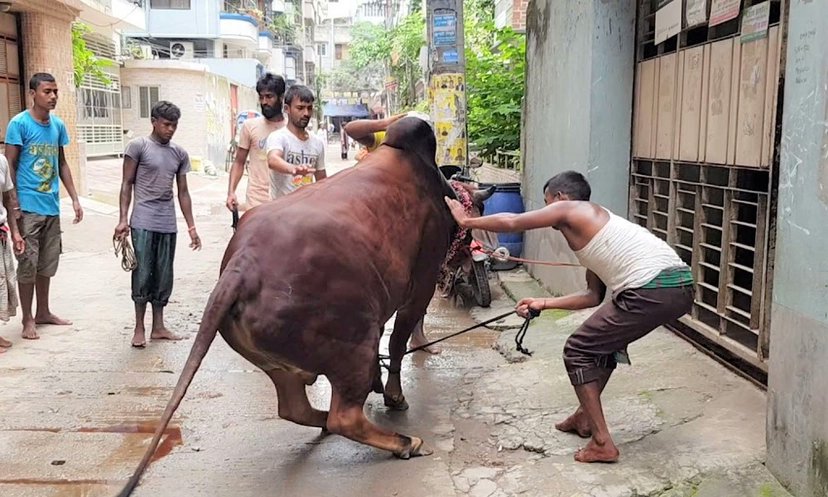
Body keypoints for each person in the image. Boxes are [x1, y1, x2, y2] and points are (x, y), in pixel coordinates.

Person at [445, 170, 693, 463]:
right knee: (602, 345)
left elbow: (513, 221)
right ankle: (583, 419)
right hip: (677, 287)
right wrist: (543, 303)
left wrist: (466, 220)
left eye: (547, 202)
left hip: (649, 288)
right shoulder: (597, 229)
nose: (548, 211)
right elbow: (591, 296)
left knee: (577, 350)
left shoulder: (571, 208)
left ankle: (602, 443)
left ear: (560, 198)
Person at [345, 112, 442, 354]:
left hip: (403, 226)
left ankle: (416, 336)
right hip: (375, 223)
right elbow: (351, 129)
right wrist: (387, 124)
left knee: (419, 283)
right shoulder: (385, 141)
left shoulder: (422, 156)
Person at [114, 101, 202, 349]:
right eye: (166, 124)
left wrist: (192, 227)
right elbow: (126, 184)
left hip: (167, 223)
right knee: (142, 274)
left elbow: (183, 192)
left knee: (164, 275)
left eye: (174, 125)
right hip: (142, 221)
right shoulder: (138, 147)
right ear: (153, 121)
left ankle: (159, 326)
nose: (171, 129)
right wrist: (123, 219)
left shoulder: (179, 154)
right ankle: (139, 326)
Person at [5, 72, 83, 341]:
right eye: (47, 92)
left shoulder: (58, 126)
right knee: (28, 263)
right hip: (28, 206)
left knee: (47, 263)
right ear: (33, 94)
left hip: (51, 205)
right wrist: (13, 204)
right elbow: (9, 166)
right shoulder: (19, 124)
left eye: (55, 92)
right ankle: (27, 318)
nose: (53, 97)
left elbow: (61, 163)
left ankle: (44, 311)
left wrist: (73, 197)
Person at [226, 73, 287, 212]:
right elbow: (239, 162)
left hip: (285, 202)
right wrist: (231, 192)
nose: (264, 102)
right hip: (256, 203)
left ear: (281, 97)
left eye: (269, 96)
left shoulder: (290, 128)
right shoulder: (249, 126)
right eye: (261, 97)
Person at [266, 85, 326, 198]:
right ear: (287, 109)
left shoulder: (317, 142)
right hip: (282, 210)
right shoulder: (278, 137)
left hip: (308, 209)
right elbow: (273, 160)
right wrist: (293, 169)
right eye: (300, 108)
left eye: (309, 108)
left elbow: (321, 179)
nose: (306, 113)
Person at [0, 152, 25, 353]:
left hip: (1, 233)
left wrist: (15, 232)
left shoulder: (1, 162)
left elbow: (8, 198)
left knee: (3, 283)